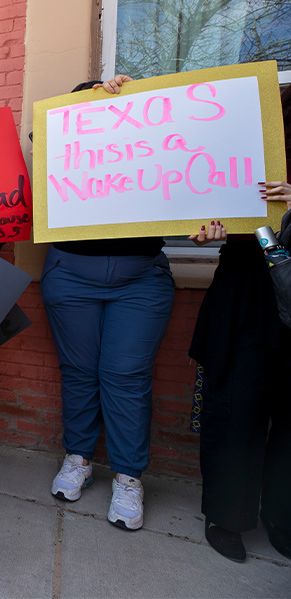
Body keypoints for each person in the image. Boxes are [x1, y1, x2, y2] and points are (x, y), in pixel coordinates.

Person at [42, 75, 175, 531]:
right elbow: (37, 146)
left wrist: (135, 100)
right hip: (71, 275)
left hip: (140, 279)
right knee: (79, 372)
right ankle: (78, 457)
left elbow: (187, 171)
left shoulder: (146, 141)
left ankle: (128, 476)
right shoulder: (55, 143)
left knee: (126, 375)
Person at [188, 85, 291, 562]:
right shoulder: (247, 117)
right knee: (236, 408)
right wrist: (208, 224)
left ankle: (282, 516)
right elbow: (198, 190)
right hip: (248, 290)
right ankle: (227, 514)